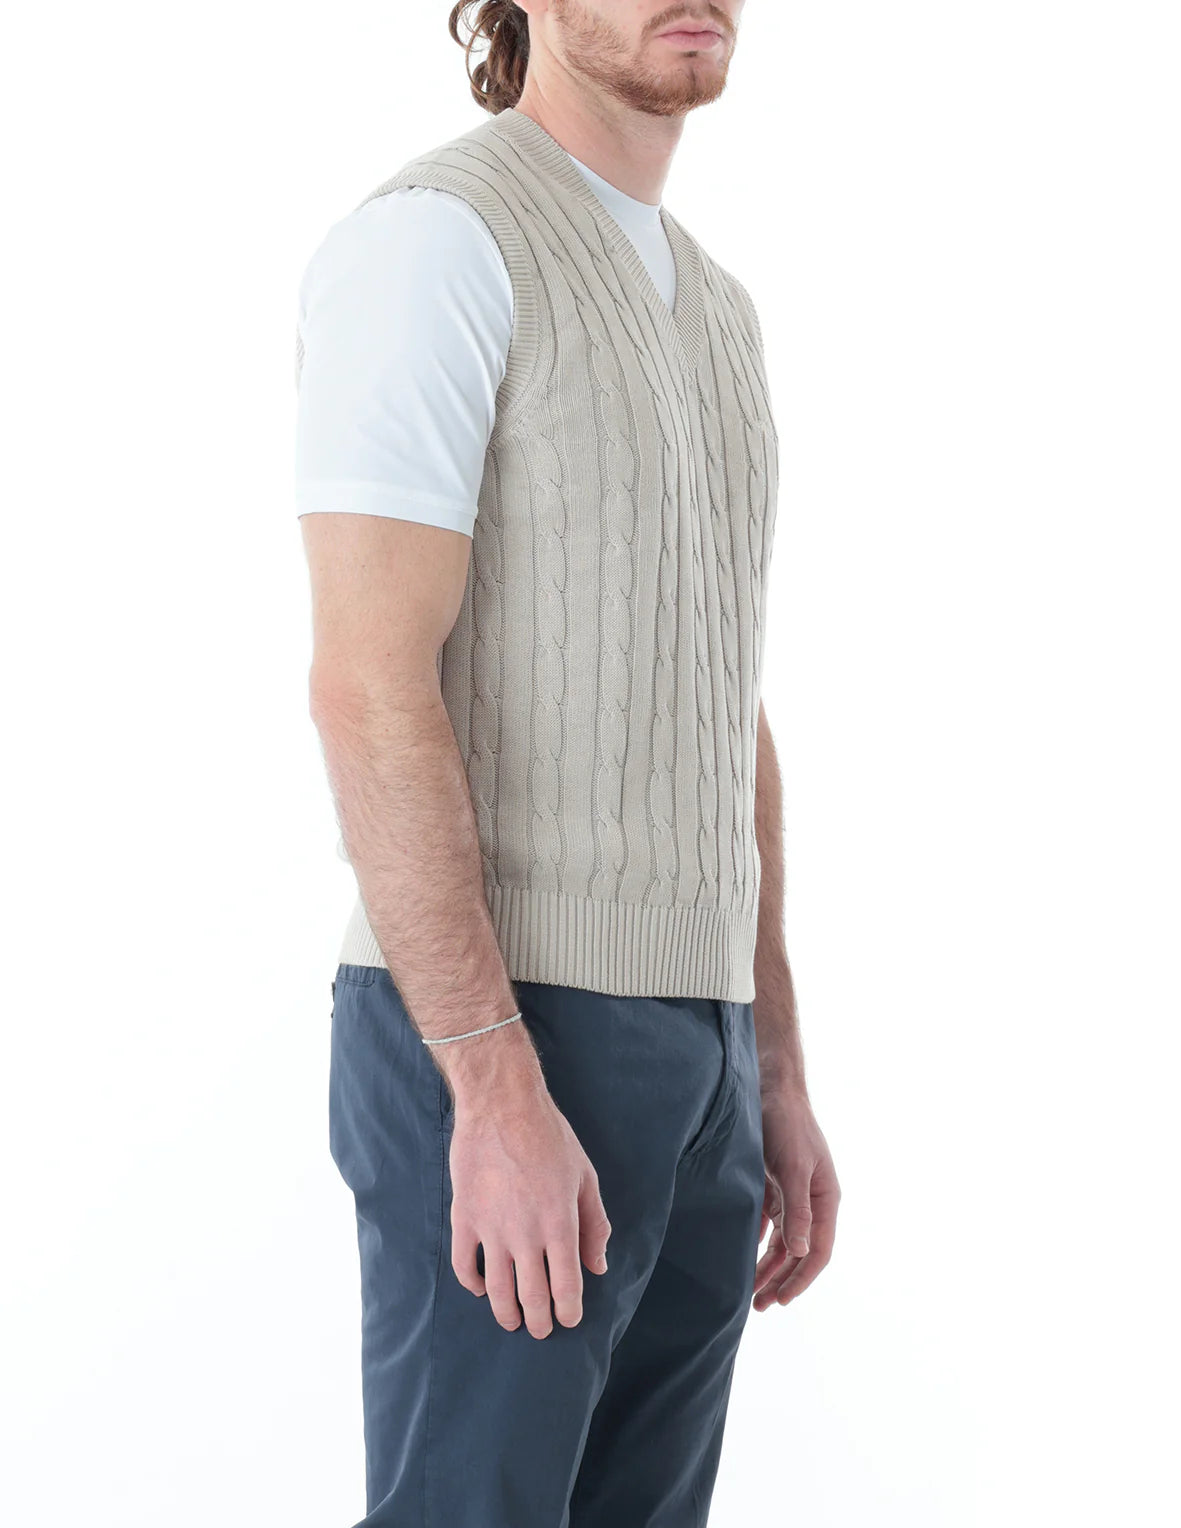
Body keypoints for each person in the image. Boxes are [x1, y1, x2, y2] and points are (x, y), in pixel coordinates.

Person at [294, 3, 840, 1523]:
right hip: (506, 1031)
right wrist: (487, 1081)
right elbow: (365, 682)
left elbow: (720, 697)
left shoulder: (717, 308)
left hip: (698, 1049)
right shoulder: (436, 244)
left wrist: (770, 1061)